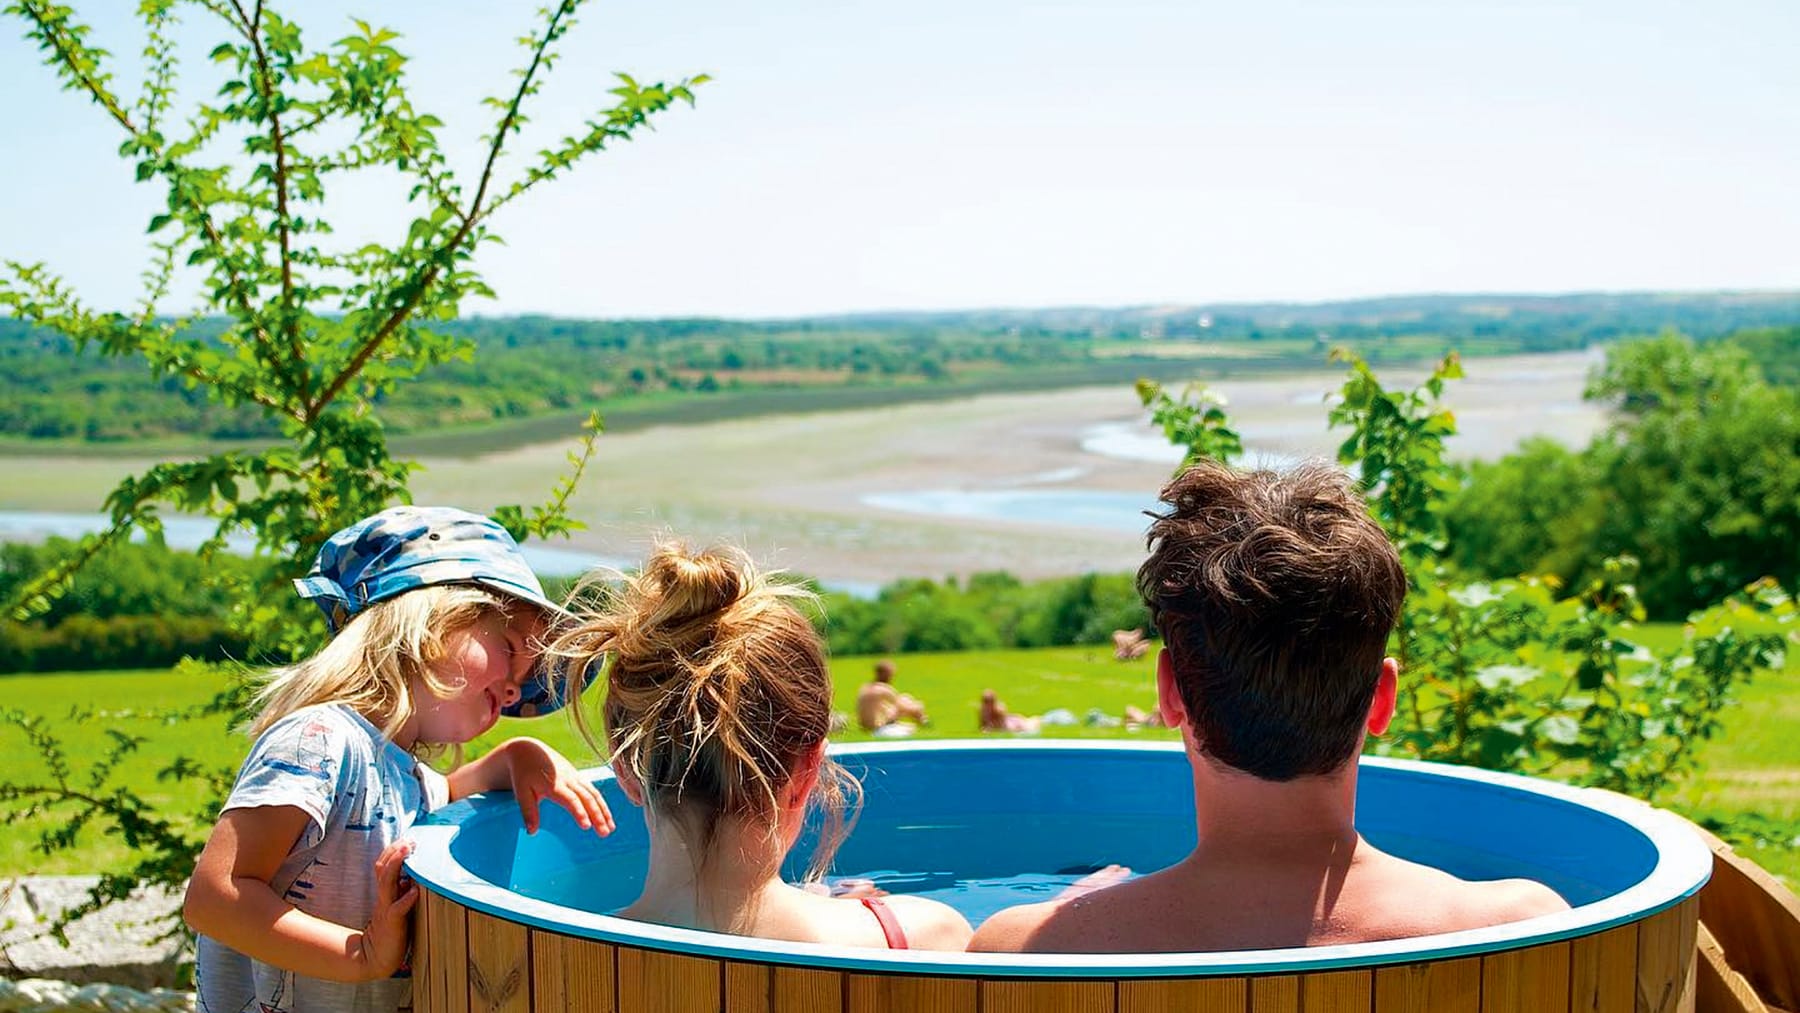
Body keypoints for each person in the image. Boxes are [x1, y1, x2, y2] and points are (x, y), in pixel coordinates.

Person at [971, 461, 1569, 954]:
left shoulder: (1022, 951)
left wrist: (1083, 915)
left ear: (1170, 693)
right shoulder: (1526, 926)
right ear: (1382, 700)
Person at [184, 506, 613, 1013]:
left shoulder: (396, 770)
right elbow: (215, 896)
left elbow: (448, 793)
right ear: (434, 620)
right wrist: (361, 955)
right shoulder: (320, 740)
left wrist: (516, 757)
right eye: (511, 646)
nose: (517, 687)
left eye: (521, 687)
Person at [551, 543, 972, 950]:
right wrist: (841, 911)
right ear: (807, 772)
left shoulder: (551, 961)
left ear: (625, 767)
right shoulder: (924, 938)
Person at [855, 658, 928, 736]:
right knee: (906, 701)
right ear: (885, 674)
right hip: (878, 730)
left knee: (898, 709)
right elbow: (905, 706)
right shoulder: (883, 689)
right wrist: (919, 711)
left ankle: (921, 720)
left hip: (867, 729)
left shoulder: (866, 687)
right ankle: (924, 721)